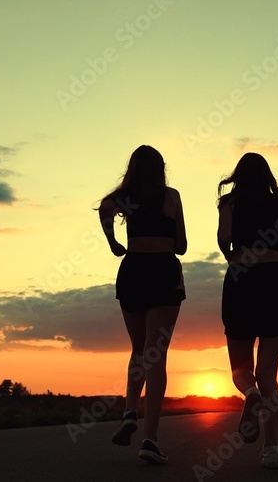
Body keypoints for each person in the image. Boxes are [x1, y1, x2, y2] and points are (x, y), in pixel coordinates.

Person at [216, 152, 278, 470]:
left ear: (238, 176)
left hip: (243, 281)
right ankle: (272, 451)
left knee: (240, 369)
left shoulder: (229, 203)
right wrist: (272, 250)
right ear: (268, 175)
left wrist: (239, 252)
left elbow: (225, 240)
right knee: (269, 371)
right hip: (275, 283)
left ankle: (250, 392)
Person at [98, 145, 187, 465]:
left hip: (132, 269)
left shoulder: (126, 197)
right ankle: (150, 438)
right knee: (156, 354)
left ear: (132, 169)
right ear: (161, 168)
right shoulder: (171, 195)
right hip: (163, 270)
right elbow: (182, 246)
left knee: (138, 349)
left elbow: (104, 209)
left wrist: (112, 241)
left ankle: (129, 411)